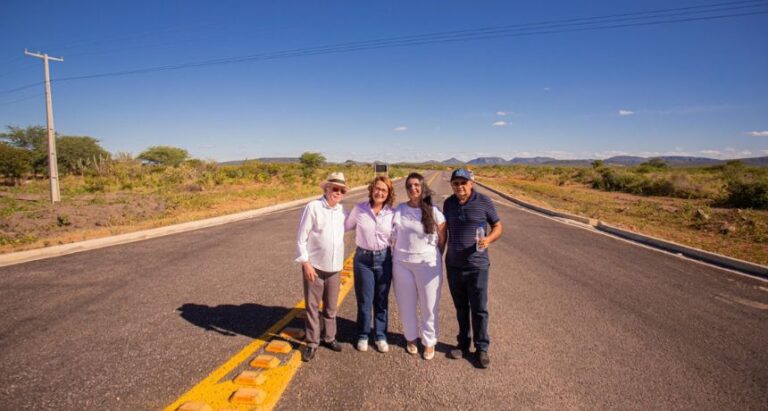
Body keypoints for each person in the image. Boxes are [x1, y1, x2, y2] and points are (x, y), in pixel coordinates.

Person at [442, 168, 503, 369]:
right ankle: (463, 344)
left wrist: (488, 239)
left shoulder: (484, 201)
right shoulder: (448, 203)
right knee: (461, 308)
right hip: (453, 265)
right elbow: (442, 231)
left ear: (471, 183)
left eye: (463, 183)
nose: (459, 186)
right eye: (456, 183)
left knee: (479, 309)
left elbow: (498, 226)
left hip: (477, 266)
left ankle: (482, 347)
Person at [391, 172, 446, 360]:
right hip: (401, 264)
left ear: (423, 187)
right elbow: (394, 234)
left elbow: (442, 236)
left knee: (429, 306)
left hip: (427, 264)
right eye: (409, 186)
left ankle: (429, 342)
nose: (413, 189)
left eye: (416, 185)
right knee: (406, 305)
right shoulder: (400, 209)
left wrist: (433, 255)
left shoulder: (433, 211)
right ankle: (411, 338)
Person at [295, 171, 348, 362]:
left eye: (341, 190)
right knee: (312, 306)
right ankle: (312, 342)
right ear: (326, 188)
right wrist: (306, 263)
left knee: (331, 308)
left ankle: (329, 337)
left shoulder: (342, 211)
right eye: (334, 188)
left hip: (334, 267)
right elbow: (301, 239)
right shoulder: (313, 207)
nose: (338, 192)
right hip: (315, 267)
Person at [345, 176, 396, 353]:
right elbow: (344, 226)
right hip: (363, 261)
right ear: (372, 189)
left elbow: (399, 236)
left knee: (381, 300)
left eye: (384, 190)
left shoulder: (392, 213)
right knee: (365, 300)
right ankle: (363, 335)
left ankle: (380, 335)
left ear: (388, 193)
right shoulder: (359, 209)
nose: (379, 192)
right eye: (377, 188)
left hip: (384, 259)